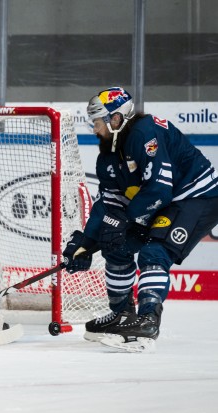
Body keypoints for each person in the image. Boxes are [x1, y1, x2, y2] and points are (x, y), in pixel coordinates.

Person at [63, 87, 218, 352]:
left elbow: (159, 188)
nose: (95, 128)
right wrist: (86, 241)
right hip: (163, 202)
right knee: (115, 244)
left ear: (116, 119)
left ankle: (148, 319)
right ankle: (123, 315)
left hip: (197, 197)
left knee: (154, 251)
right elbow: (109, 204)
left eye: (98, 122)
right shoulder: (108, 156)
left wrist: (126, 218)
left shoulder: (144, 133)